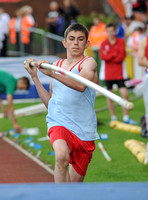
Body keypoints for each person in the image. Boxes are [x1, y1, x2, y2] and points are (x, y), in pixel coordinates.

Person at [24, 23, 99, 183]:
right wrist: (35, 78)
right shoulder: (57, 66)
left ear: (87, 44)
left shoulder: (88, 63)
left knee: (73, 187)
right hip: (59, 123)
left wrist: (52, 73)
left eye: (80, 39)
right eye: (71, 39)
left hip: (84, 130)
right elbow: (51, 104)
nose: (76, 43)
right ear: (65, 42)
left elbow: (80, 85)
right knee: (61, 157)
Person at [99, 22, 137, 124]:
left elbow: (121, 56)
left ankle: (126, 117)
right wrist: (114, 54)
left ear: (115, 31)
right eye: (109, 31)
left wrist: (109, 55)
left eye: (112, 31)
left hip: (119, 73)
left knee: (125, 94)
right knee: (109, 96)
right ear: (106, 32)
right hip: (108, 74)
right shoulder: (103, 44)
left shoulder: (120, 42)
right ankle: (113, 117)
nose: (111, 33)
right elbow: (103, 57)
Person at [88, 16, 107, 85]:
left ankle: (102, 82)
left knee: (102, 66)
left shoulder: (103, 27)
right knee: (96, 66)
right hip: (94, 49)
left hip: (101, 49)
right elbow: (90, 38)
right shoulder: (93, 28)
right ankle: (97, 81)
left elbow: (105, 37)